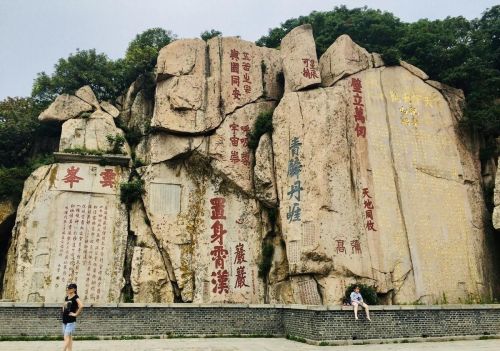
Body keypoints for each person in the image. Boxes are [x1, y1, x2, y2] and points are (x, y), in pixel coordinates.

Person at [62, 283, 83, 351]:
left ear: (74, 289)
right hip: (65, 318)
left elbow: (81, 306)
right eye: (68, 288)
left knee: (66, 337)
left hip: (71, 319)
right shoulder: (67, 297)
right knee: (69, 337)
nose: (68, 289)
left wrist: (75, 314)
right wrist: (64, 311)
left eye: (70, 288)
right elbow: (64, 305)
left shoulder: (75, 297)